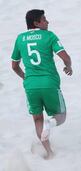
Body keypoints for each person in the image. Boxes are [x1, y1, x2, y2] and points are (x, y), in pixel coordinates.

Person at [11, 9, 72, 159]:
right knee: (61, 117)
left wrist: (25, 77)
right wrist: (68, 66)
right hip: (49, 83)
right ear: (36, 23)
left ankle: (49, 152)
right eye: (44, 19)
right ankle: (49, 124)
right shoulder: (49, 36)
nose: (47, 21)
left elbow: (14, 66)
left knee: (37, 119)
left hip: (31, 85)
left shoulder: (20, 39)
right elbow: (65, 56)